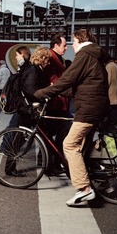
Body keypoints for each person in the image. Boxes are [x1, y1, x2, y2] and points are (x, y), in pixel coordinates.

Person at [34, 28, 109, 207]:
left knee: (69, 144)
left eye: (74, 41)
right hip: (96, 105)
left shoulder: (85, 55)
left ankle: (84, 189)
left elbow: (67, 80)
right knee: (83, 148)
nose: (72, 46)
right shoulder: (95, 55)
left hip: (89, 108)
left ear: (81, 40)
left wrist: (42, 93)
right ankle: (102, 182)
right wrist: (57, 93)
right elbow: (79, 86)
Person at [5, 46, 52, 176]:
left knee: (40, 135)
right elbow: (31, 90)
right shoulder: (33, 70)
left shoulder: (37, 70)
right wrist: (47, 92)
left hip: (31, 109)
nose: (48, 63)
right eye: (47, 60)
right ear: (42, 59)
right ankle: (10, 167)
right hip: (27, 110)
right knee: (19, 138)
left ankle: (46, 164)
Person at [43, 34, 71, 176]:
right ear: (55, 45)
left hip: (60, 102)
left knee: (53, 134)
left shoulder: (58, 57)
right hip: (56, 103)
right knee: (59, 133)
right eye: (64, 45)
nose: (66, 48)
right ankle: (51, 164)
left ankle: (48, 162)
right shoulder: (52, 58)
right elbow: (54, 79)